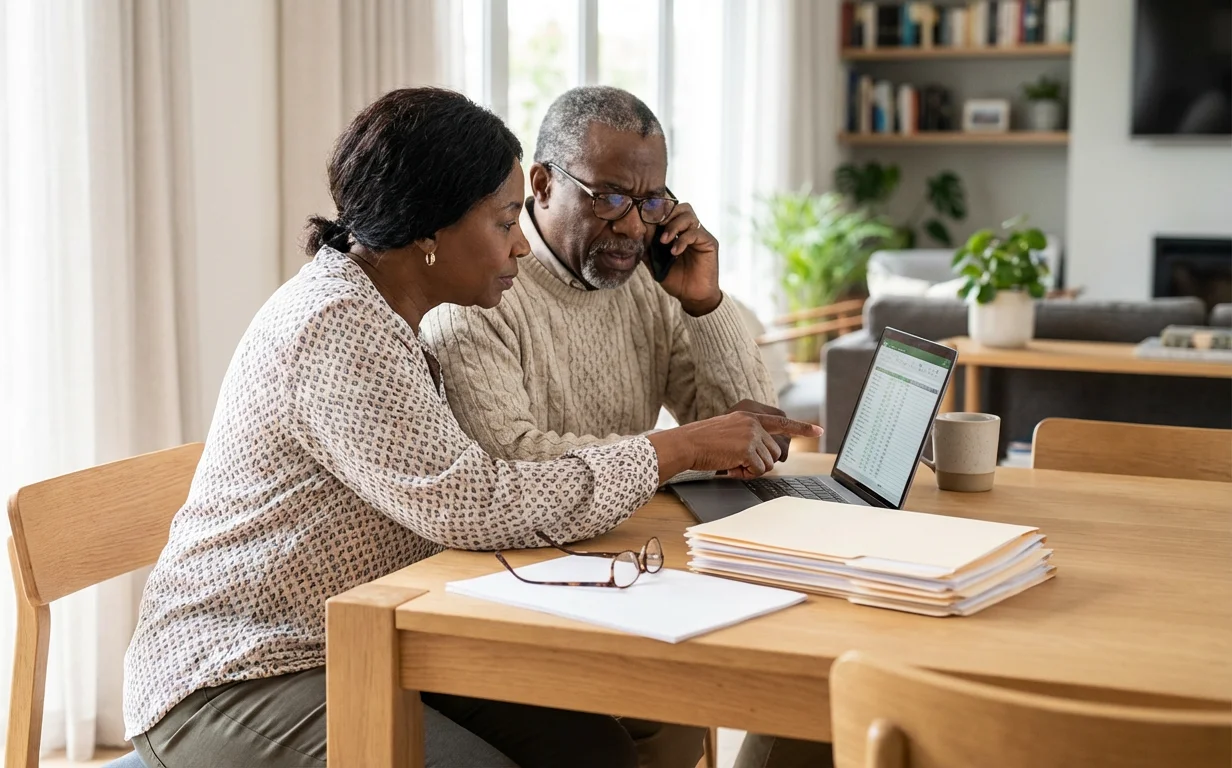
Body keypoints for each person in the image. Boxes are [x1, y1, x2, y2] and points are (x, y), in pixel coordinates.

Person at [121, 86, 822, 768]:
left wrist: (692, 399)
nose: (520, 246)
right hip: (241, 668)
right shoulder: (336, 327)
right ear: (428, 229)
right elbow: (472, 501)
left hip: (376, 629)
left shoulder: (386, 313)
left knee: (597, 751)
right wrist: (678, 447)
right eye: (503, 221)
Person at [423, 85, 833, 768]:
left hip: (624, 558)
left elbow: (757, 439)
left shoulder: (648, 281)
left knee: (807, 674)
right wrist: (681, 450)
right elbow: (511, 458)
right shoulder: (480, 287)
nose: (634, 228)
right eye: (609, 197)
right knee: (729, 683)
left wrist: (705, 305)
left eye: (651, 202)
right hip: (523, 580)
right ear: (544, 184)